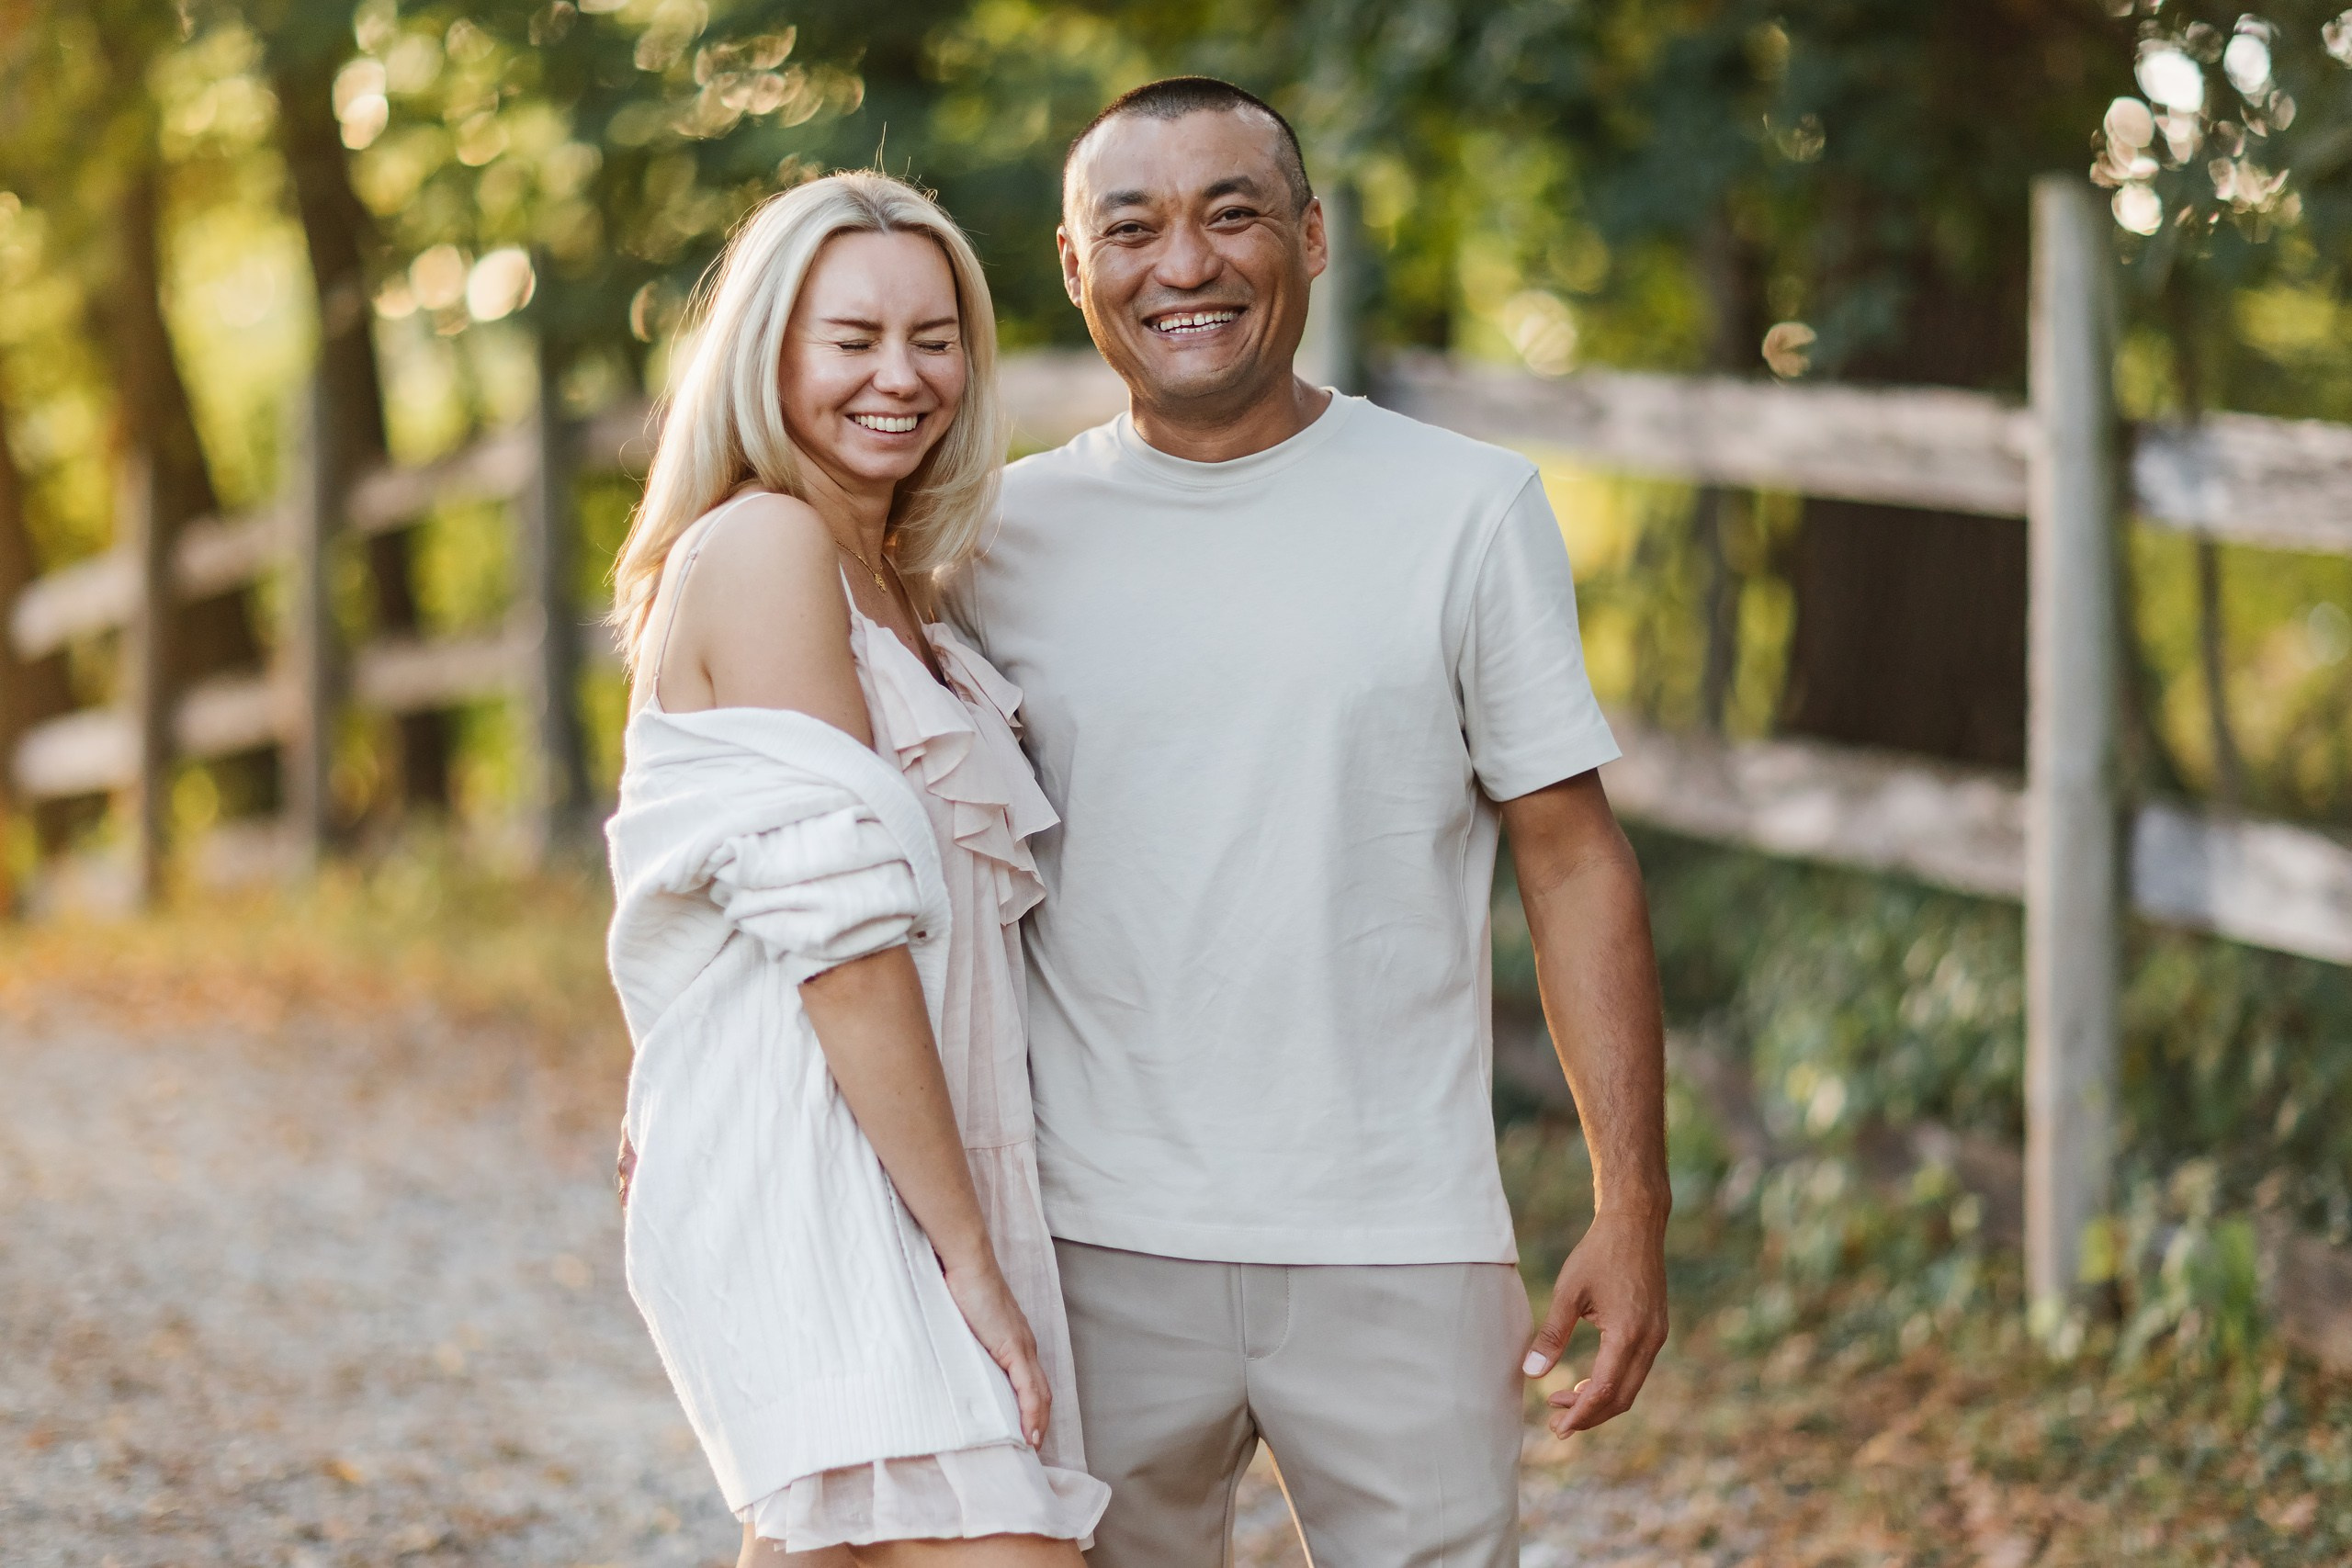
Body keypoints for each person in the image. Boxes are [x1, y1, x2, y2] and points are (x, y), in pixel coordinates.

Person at [939, 78, 1673, 1567]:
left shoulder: (1466, 509)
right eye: (1132, 229)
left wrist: (1633, 1204)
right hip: (1089, 1240)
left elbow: (1572, 858)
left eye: (1234, 215)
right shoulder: (989, 541)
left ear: (1312, 237)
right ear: (1075, 267)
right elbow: (864, 854)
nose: (1185, 265)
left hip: (1402, 1235)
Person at [603, 172, 1108, 1567]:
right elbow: (843, 948)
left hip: (911, 1140)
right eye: (853, 339)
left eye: (934, 339)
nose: (903, 376)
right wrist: (968, 1258)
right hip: (826, 1160)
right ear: (766, 354)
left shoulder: (899, 580)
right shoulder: (767, 546)